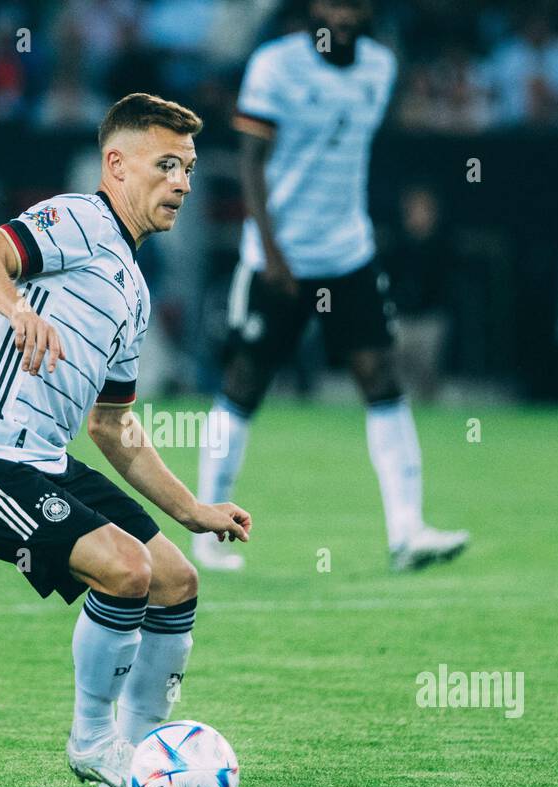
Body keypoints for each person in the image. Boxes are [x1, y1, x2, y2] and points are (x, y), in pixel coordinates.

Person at [0, 93, 251, 787]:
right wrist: (17, 308)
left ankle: (135, 770)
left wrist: (192, 508)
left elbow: (113, 427)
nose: (183, 184)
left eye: (189, 169)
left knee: (175, 581)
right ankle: (93, 741)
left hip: (42, 457)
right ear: (116, 165)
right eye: (166, 165)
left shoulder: (132, 287)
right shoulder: (77, 218)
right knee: (124, 569)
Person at [195, 0, 467, 573]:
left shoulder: (380, 67)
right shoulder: (274, 65)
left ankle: (407, 532)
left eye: (356, 5)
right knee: (245, 381)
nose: (344, 15)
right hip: (278, 258)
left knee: (381, 375)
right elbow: (251, 161)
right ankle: (207, 531)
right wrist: (270, 249)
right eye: (334, 4)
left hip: (347, 254)